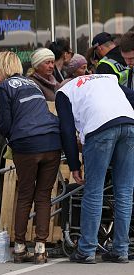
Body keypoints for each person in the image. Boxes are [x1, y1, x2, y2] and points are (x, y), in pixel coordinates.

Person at [0, 51, 61, 264]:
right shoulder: (32, 84)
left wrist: (13, 141)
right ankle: (40, 248)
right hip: (51, 141)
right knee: (43, 196)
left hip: (27, 143)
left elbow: (5, 125)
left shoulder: (3, 88)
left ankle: (20, 247)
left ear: (3, 67)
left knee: (25, 195)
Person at [55, 73, 134, 264]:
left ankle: (87, 249)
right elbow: (131, 95)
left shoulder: (63, 93)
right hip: (130, 125)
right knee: (124, 191)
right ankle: (120, 249)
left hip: (100, 128)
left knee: (94, 191)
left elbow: (66, 130)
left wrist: (74, 165)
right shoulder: (107, 79)